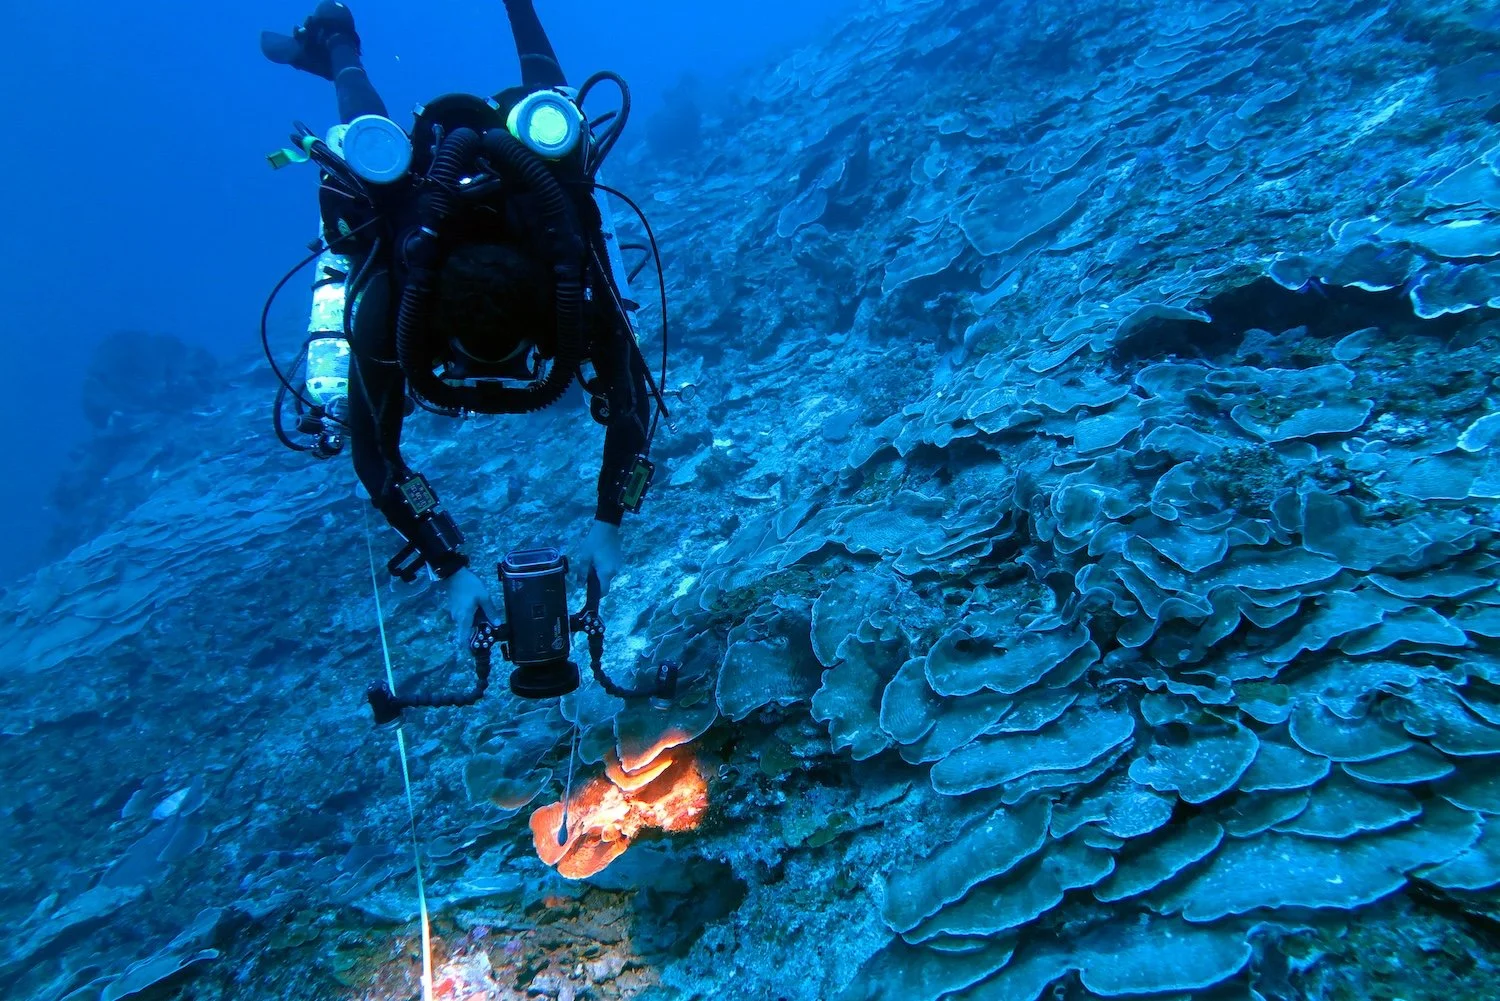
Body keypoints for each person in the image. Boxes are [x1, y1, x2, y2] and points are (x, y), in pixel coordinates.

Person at [261, 1, 658, 653]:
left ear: (542, 321)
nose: (491, 387)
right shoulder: (395, 303)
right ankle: (337, 44)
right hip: (424, 200)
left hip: (527, 205)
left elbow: (634, 418)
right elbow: (375, 456)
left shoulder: (572, 292)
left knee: (556, 118)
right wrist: (447, 563)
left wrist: (611, 522)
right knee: (370, 154)